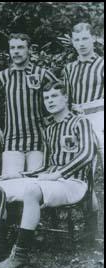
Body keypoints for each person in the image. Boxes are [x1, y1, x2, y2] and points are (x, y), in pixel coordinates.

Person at [0, 82, 97, 268]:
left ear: (65, 98)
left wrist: (59, 173)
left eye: (54, 96)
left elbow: (87, 154)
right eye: (46, 98)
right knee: (0, 187)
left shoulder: (80, 121)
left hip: (74, 183)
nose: (50, 101)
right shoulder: (49, 129)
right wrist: (17, 175)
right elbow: (46, 165)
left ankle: (21, 253)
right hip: (54, 180)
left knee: (32, 190)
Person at [0, 33, 59, 179]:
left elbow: (62, 93)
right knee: (11, 185)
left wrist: (51, 121)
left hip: (38, 139)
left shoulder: (40, 73)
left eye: (20, 47)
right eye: (12, 48)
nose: (16, 51)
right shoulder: (3, 76)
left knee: (36, 183)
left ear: (30, 50)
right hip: (12, 140)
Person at [63, 22, 104, 168]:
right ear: (73, 42)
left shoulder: (102, 64)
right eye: (77, 40)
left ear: (93, 38)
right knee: (82, 166)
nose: (81, 44)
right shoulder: (69, 68)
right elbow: (67, 99)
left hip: (100, 119)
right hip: (77, 120)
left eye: (85, 38)